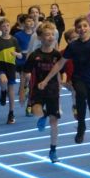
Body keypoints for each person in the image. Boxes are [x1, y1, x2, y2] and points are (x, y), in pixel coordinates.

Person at [38, 16, 90, 157]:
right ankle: (81, 126)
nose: (82, 29)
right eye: (79, 27)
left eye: (85, 26)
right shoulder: (73, 46)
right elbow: (60, 63)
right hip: (78, 78)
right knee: (80, 93)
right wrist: (46, 80)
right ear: (76, 30)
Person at [23, 22, 66, 163]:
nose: (51, 37)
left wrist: (63, 81)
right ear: (40, 37)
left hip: (53, 90)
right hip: (37, 89)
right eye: (47, 34)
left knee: (54, 122)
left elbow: (62, 71)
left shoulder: (57, 55)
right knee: (37, 112)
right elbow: (25, 72)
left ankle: (53, 150)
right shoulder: (34, 55)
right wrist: (23, 89)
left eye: (52, 34)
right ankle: (44, 115)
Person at [14, 14, 38, 116]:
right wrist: (21, 53)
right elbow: (16, 49)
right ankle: (24, 88)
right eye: (28, 21)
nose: (31, 23)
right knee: (27, 78)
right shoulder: (18, 35)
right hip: (22, 62)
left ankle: (29, 106)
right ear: (23, 24)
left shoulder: (37, 35)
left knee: (33, 84)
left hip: (34, 61)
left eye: (32, 21)